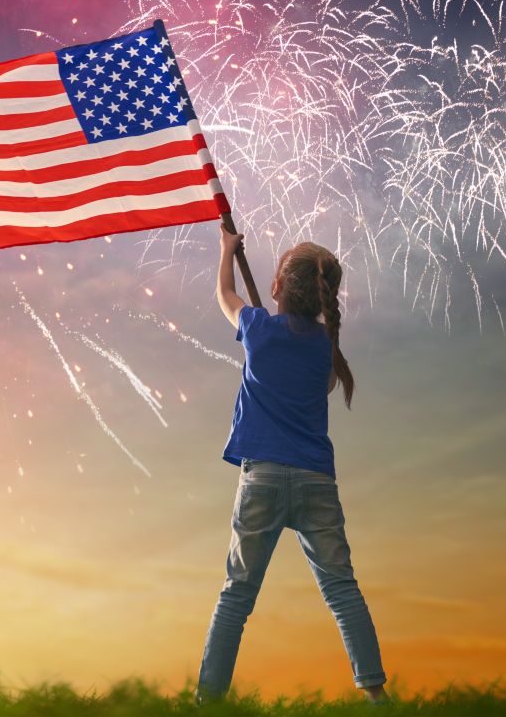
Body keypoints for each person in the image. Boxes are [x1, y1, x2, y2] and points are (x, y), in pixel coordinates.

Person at [195, 224, 389, 705]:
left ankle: (208, 701)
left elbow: (224, 292)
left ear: (279, 287)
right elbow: (318, 384)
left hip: (262, 477)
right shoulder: (327, 347)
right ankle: (377, 696)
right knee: (343, 591)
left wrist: (226, 251)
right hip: (315, 480)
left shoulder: (258, 329)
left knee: (237, 596)